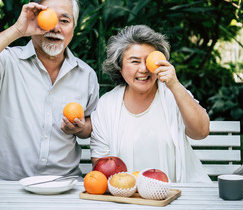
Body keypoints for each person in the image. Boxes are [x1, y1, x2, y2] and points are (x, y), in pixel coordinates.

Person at [0, 0, 99, 180]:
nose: (55, 27)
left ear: (73, 28)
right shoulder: (8, 62)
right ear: (35, 22)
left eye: (64, 21)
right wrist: (17, 30)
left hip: (64, 184)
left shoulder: (86, 74)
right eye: (49, 19)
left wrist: (80, 129)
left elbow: (91, 124)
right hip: (6, 185)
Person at [90, 25, 211, 183]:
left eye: (149, 61)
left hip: (175, 196)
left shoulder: (173, 95)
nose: (144, 69)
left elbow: (201, 132)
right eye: (134, 61)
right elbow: (101, 166)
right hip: (126, 198)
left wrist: (174, 85)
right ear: (119, 66)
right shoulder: (107, 105)